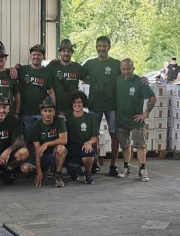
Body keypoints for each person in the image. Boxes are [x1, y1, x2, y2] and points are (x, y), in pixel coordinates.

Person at [82, 36, 121, 176]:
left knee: (114, 134)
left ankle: (113, 165)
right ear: (96, 47)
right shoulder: (90, 63)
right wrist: (92, 82)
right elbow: (80, 74)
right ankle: (95, 163)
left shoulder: (116, 64)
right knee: (93, 135)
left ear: (109, 47)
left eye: (104, 46)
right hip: (94, 104)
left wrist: (143, 79)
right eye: (99, 46)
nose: (101, 49)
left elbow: (127, 75)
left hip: (112, 105)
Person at [115, 58, 157, 182]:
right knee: (125, 145)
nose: (126, 71)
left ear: (133, 68)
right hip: (121, 120)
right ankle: (126, 168)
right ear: (120, 69)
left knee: (140, 145)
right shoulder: (117, 80)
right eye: (123, 69)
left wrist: (146, 113)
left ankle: (142, 169)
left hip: (136, 121)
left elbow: (153, 98)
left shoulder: (140, 82)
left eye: (128, 69)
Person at [20, 97, 67, 188]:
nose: (47, 114)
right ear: (41, 112)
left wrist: (46, 143)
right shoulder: (36, 126)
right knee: (25, 168)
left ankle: (58, 174)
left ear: (54, 112)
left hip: (54, 154)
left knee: (61, 148)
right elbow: (37, 150)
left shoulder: (60, 121)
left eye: (50, 111)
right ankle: (44, 170)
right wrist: (39, 172)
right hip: (42, 155)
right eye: (45, 111)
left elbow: (64, 140)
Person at [15, 44, 55, 149]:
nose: (36, 57)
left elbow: (52, 92)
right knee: (27, 140)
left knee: (42, 139)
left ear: (42, 57)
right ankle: (28, 162)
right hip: (25, 112)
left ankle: (43, 163)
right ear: (30, 56)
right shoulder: (22, 70)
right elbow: (10, 74)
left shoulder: (47, 72)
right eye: (34, 54)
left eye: (39, 55)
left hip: (41, 113)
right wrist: (12, 68)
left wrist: (53, 109)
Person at [64, 91, 98, 184]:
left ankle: (88, 172)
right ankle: (74, 171)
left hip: (84, 146)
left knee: (88, 151)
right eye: (74, 102)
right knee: (72, 170)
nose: (77, 104)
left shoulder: (90, 118)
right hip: (72, 147)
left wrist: (88, 143)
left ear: (83, 103)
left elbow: (95, 137)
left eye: (79, 102)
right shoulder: (66, 116)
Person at [45, 39, 87, 113]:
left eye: (68, 51)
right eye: (63, 51)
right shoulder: (52, 66)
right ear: (60, 52)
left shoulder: (77, 67)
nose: (66, 53)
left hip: (73, 107)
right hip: (57, 107)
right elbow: (40, 72)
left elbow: (89, 80)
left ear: (72, 53)